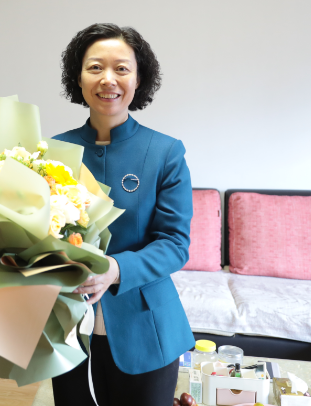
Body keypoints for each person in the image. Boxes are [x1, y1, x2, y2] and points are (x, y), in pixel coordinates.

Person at [51, 23, 195, 406]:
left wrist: (115, 269)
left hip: (145, 330)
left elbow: (175, 244)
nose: (108, 79)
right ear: (78, 77)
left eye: (121, 68)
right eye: (95, 67)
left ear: (138, 79)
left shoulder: (165, 152)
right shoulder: (53, 151)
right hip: (67, 328)